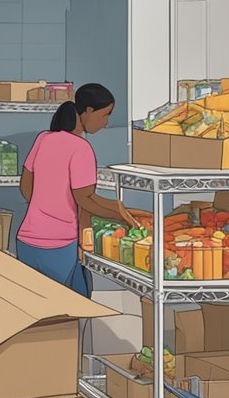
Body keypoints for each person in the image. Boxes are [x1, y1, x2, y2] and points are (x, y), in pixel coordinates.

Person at [17, 83, 141, 296]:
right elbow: (85, 200)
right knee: (68, 310)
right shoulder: (81, 148)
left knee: (38, 310)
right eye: (105, 115)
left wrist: (45, 208)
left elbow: (26, 187)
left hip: (27, 242)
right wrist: (120, 213)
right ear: (89, 111)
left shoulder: (43, 138)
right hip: (59, 247)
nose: (106, 124)